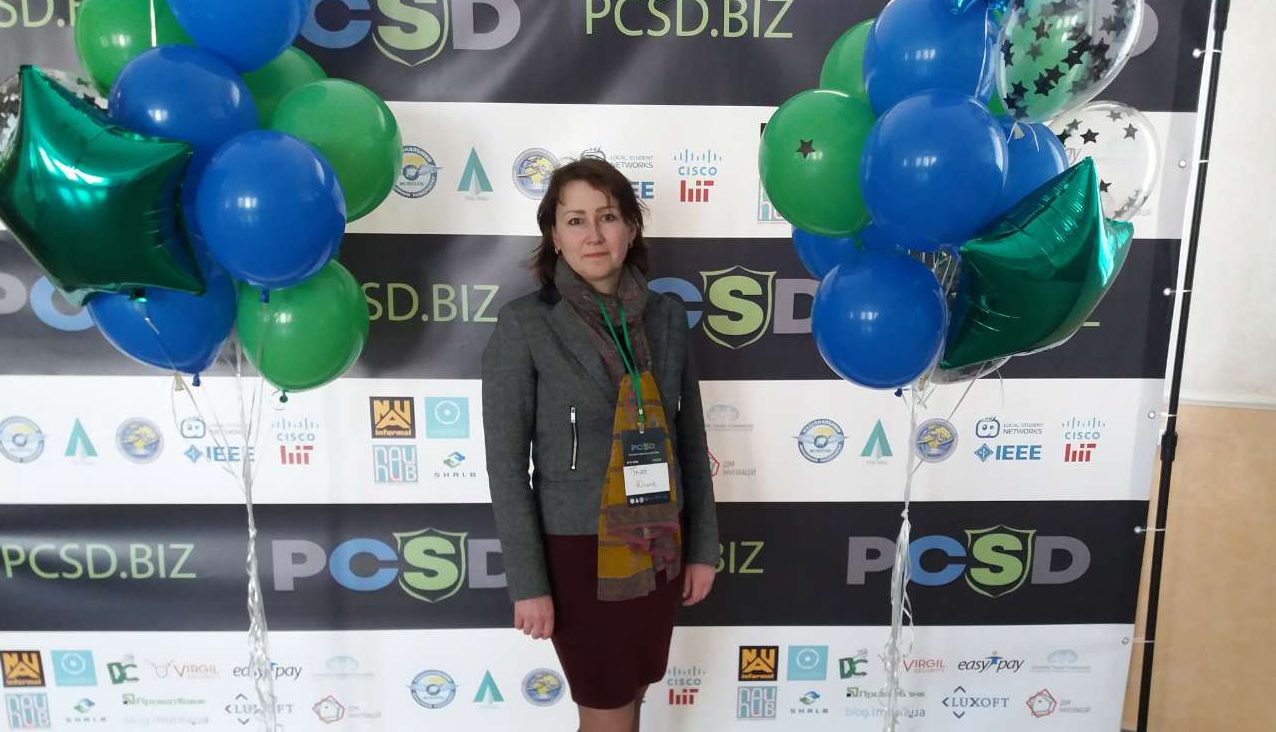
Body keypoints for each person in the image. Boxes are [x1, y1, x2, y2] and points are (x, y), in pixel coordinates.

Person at [482, 157, 720, 732]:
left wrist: (701, 547)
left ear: (631, 228)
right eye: (575, 220)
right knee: (605, 706)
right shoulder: (526, 325)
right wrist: (529, 584)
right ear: (554, 236)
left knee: (633, 691)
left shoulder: (666, 317)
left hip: (658, 539)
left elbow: (690, 439)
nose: (593, 234)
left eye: (608, 216)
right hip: (578, 552)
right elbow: (507, 469)